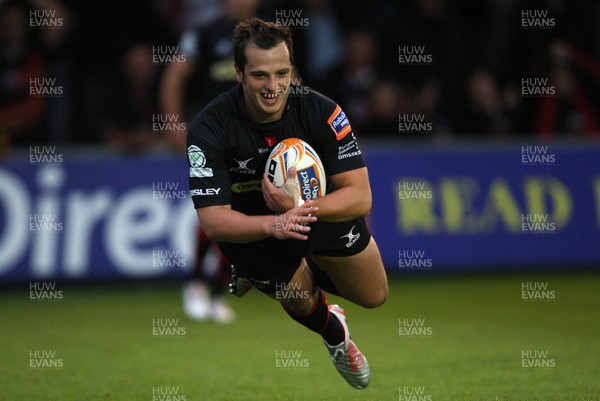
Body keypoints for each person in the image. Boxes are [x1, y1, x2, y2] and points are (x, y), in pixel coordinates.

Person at [185, 18, 387, 388]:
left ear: (292, 69)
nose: (273, 87)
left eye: (282, 73)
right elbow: (213, 221)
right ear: (239, 73)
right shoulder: (209, 128)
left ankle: (263, 276)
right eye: (260, 75)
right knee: (298, 294)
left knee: (374, 295)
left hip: (313, 209)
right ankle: (333, 332)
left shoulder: (322, 111)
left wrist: (295, 210)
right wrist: (275, 225)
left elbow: (360, 197)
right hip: (254, 227)